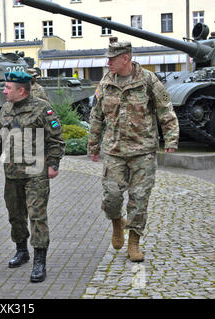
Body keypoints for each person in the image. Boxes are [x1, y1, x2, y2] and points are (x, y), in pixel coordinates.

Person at [88, 41, 179, 262]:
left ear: (126, 58)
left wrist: (171, 139)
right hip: (114, 150)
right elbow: (96, 116)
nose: (108, 62)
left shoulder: (148, 81)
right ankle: (117, 222)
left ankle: (134, 242)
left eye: (112, 58)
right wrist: (93, 145)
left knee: (139, 198)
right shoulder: (106, 82)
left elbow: (165, 110)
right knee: (111, 197)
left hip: (143, 151)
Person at [0, 71, 65, 282]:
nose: (4, 91)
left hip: (36, 173)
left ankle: (40, 261)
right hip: (12, 173)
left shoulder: (42, 108)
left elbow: (56, 140)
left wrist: (54, 163)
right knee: (15, 215)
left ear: (21, 90)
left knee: (37, 216)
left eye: (7, 88)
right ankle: (21, 250)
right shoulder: (5, 109)